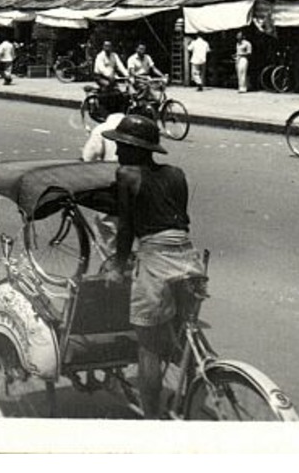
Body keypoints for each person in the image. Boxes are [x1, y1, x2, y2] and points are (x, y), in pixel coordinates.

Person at [107, 113, 205, 420]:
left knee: (147, 346)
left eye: (123, 146)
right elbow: (178, 219)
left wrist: (117, 266)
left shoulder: (127, 175)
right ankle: (190, 395)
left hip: (156, 258)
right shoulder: (177, 174)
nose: (119, 151)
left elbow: (126, 228)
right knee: (183, 332)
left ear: (136, 149)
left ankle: (151, 422)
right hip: (188, 256)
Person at [93, 39, 130, 112]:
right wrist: (109, 75)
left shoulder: (114, 55)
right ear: (103, 47)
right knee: (107, 86)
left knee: (119, 93)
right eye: (106, 46)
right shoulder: (100, 56)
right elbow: (101, 68)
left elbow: (120, 66)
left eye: (109, 46)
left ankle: (115, 109)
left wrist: (127, 75)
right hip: (100, 76)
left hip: (112, 76)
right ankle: (103, 108)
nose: (108, 48)